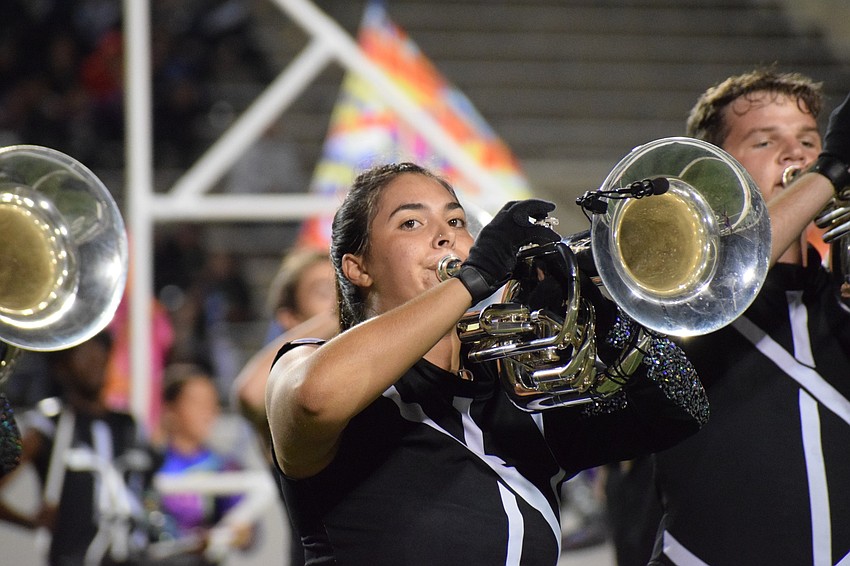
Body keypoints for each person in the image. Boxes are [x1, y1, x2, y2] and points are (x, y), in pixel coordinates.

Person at [265, 161, 710, 565]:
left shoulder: (522, 393)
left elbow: (679, 409)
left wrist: (595, 307)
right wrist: (471, 281)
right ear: (358, 268)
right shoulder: (307, 365)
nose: (445, 235)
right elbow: (313, 398)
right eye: (411, 222)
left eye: (456, 220)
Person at [612, 69, 850, 565]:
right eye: (766, 141)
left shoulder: (839, 296)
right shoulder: (680, 297)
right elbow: (734, 265)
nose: (797, 155)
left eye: (810, 140)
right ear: (716, 173)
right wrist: (829, 170)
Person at [0, 330, 154, 566]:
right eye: (83, 355)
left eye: (100, 353)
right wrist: (30, 521)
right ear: (62, 367)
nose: (95, 362)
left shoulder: (128, 425)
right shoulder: (49, 425)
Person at [231, 248, 337, 566]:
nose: (336, 298)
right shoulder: (285, 391)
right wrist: (344, 311)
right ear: (290, 318)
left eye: (340, 287)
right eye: (323, 292)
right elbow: (250, 393)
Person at [149, 363, 256, 565]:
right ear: (171, 408)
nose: (208, 412)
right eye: (197, 403)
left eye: (212, 403)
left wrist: (238, 533)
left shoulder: (223, 466)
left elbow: (248, 534)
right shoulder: (150, 462)